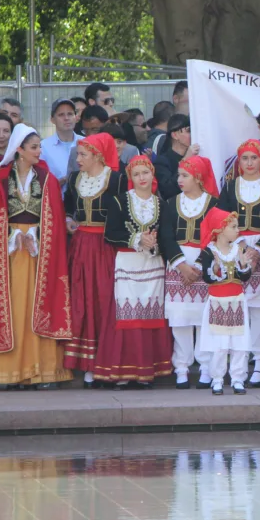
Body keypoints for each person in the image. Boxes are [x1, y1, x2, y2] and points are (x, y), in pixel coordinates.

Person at [0, 124, 73, 389]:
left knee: (36, 306)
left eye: (39, 147)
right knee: (13, 307)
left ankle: (41, 370)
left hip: (39, 252)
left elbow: (55, 218)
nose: (39, 151)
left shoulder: (47, 178)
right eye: (34, 147)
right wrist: (13, 235)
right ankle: (8, 371)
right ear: (19, 149)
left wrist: (36, 235)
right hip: (8, 254)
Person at [100, 155, 173, 387]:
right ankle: (124, 371)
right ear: (130, 177)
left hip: (152, 263)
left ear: (152, 175)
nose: (142, 178)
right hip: (128, 262)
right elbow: (110, 234)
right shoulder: (119, 201)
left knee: (150, 314)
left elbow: (167, 237)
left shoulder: (161, 204)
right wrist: (138, 238)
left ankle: (147, 371)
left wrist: (154, 244)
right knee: (127, 316)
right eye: (137, 174)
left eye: (146, 173)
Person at [62, 133, 127, 389]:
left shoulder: (117, 179)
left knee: (105, 300)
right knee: (82, 301)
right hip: (81, 246)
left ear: (98, 155)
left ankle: (106, 363)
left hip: (106, 247)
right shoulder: (74, 179)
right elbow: (68, 206)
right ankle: (88, 366)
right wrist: (69, 220)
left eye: (83, 155)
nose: (78, 159)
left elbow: (126, 212)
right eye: (78, 154)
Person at [216, 142, 260, 388]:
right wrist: (238, 245)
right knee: (236, 306)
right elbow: (221, 218)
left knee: (258, 309)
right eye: (244, 158)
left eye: (254, 158)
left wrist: (258, 249)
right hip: (234, 248)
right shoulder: (230, 186)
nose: (249, 163)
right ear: (238, 162)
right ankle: (235, 362)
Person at [161, 155, 220, 389]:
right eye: (179, 175)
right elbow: (166, 236)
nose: (179, 180)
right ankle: (182, 368)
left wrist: (199, 266)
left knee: (204, 320)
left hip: (203, 266)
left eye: (185, 175)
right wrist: (182, 266)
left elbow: (216, 237)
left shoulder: (214, 204)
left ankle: (206, 368)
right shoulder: (171, 203)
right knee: (180, 320)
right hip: (178, 265)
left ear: (198, 177)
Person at [196, 208, 255, 395]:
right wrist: (215, 268)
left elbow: (244, 277)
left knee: (239, 343)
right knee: (219, 345)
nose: (238, 230)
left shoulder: (238, 250)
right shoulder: (209, 252)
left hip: (237, 301)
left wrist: (244, 266)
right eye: (234, 227)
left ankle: (238, 379)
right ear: (220, 229)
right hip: (217, 302)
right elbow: (208, 278)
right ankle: (217, 379)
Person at [154, 115, 200, 200]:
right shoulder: (161, 161)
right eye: (188, 131)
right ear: (175, 135)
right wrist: (185, 160)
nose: (192, 135)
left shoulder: (197, 157)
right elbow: (168, 191)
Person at [40, 99, 81, 187]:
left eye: (70, 114)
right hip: (56, 194)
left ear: (76, 117)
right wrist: (57, 183)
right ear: (52, 120)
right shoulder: (43, 147)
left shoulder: (86, 142)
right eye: (61, 115)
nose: (66, 118)